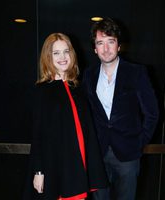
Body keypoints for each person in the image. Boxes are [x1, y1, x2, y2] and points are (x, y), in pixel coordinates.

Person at [23, 33, 108, 200]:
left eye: (66, 51)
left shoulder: (78, 88)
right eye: (56, 53)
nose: (62, 57)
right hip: (55, 165)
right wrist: (39, 171)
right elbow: (38, 134)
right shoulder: (42, 91)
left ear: (72, 54)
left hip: (78, 162)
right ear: (48, 57)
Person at [82, 18, 159, 200]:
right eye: (101, 43)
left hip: (128, 154)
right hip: (98, 153)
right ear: (95, 48)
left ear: (119, 46)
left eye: (111, 41)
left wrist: (139, 142)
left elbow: (152, 113)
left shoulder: (136, 72)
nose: (106, 48)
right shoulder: (88, 75)